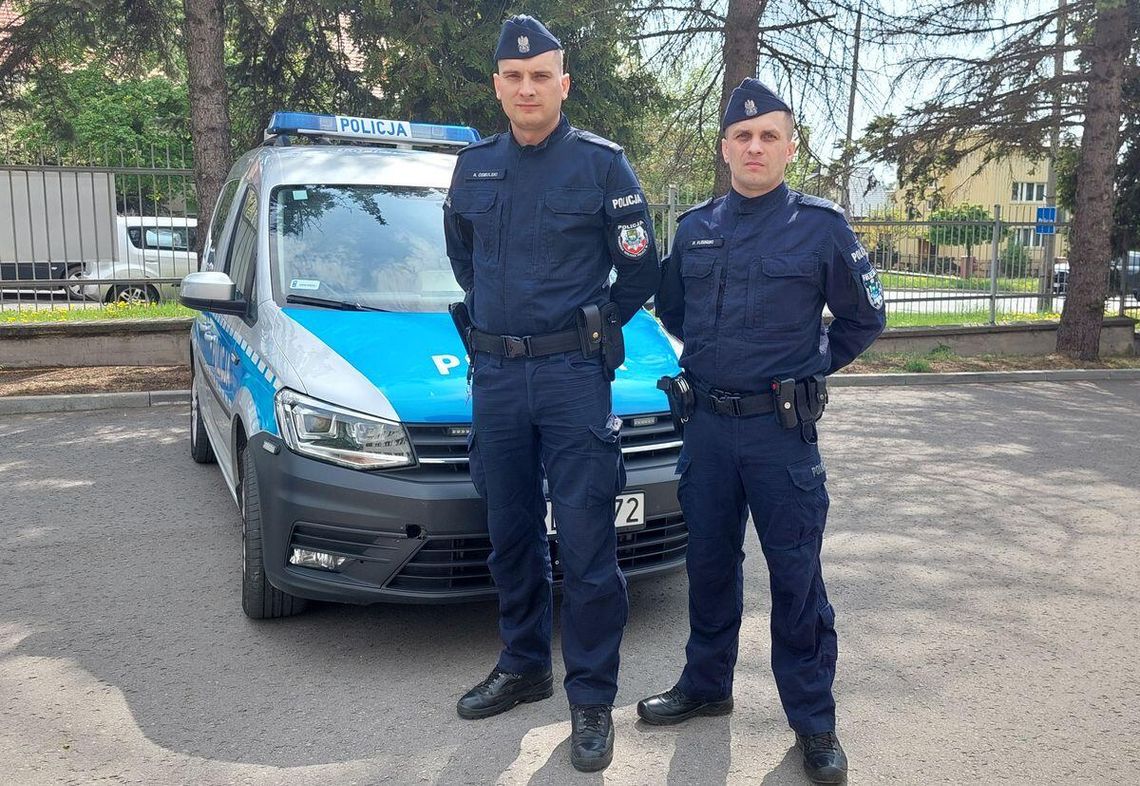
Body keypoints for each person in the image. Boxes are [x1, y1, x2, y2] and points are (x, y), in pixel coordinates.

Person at [639, 78, 886, 785]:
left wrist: (809, 368)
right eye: (742, 136)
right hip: (710, 429)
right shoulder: (693, 228)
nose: (754, 146)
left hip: (782, 435)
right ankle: (706, 685)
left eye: (768, 135)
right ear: (724, 148)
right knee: (710, 567)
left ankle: (814, 721)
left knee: (796, 577)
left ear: (788, 147)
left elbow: (865, 321)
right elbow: (676, 312)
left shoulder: (822, 227)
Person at [442, 14, 660, 773]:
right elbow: (464, 261)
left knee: (590, 544)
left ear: (563, 85)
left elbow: (639, 268)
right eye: (514, 77)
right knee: (509, 533)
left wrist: (592, 329)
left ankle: (592, 698)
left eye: (542, 76)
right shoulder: (473, 169)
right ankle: (523, 664)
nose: (527, 87)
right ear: (498, 87)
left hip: (572, 379)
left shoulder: (602, 166)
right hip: (496, 376)